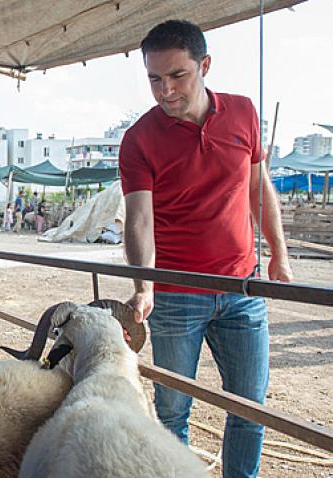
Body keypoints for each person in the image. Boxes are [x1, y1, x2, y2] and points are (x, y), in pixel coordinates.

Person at [119, 20, 291, 478]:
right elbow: (138, 218)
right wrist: (145, 285)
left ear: (205, 66)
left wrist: (279, 252)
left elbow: (259, 187)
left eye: (178, 75)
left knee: (249, 406)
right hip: (176, 292)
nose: (165, 90)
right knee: (173, 408)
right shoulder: (138, 139)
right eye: (155, 78)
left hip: (242, 287)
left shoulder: (243, 114)